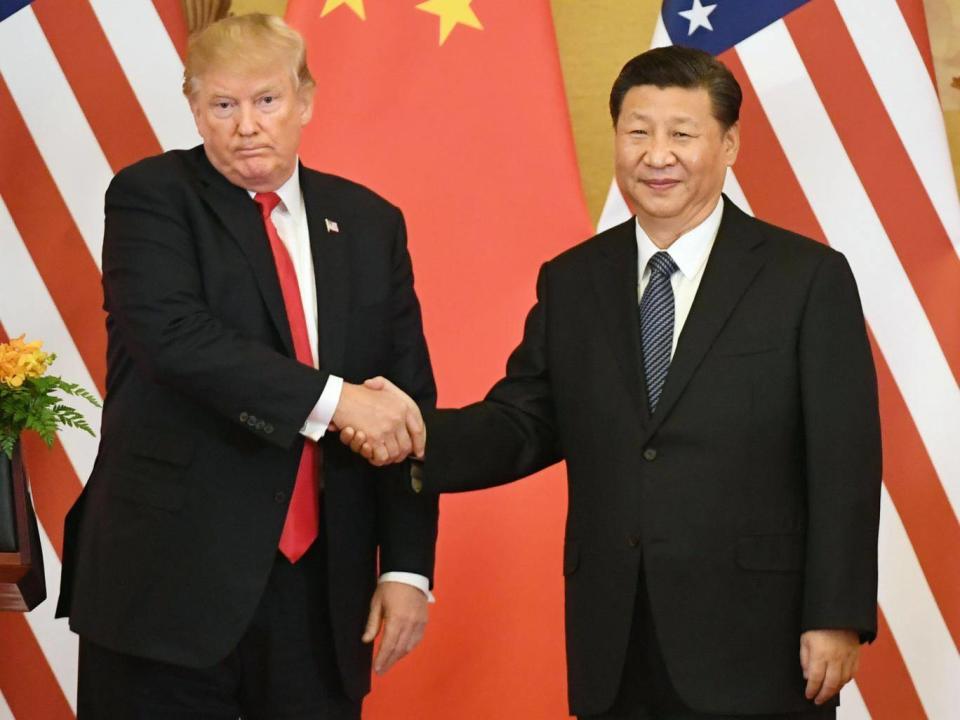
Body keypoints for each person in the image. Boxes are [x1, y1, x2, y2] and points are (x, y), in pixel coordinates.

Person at [345, 46, 882, 719]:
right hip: (616, 634)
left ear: (729, 143)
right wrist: (415, 431)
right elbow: (525, 421)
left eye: (682, 134)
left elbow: (845, 463)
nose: (658, 155)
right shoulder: (574, 280)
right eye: (638, 132)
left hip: (759, 639)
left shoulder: (805, 278)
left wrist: (837, 614)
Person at [55, 13, 436, 719]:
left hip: (322, 593)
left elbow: (404, 401)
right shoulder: (151, 197)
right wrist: (336, 401)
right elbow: (176, 340)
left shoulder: (370, 221)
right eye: (222, 104)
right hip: (168, 586)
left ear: (305, 101)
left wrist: (409, 566)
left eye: (266, 100)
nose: (246, 126)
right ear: (194, 106)